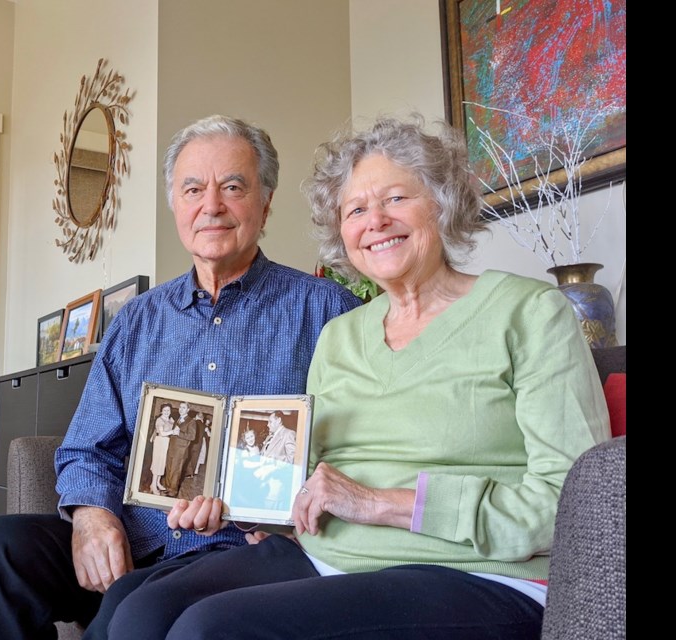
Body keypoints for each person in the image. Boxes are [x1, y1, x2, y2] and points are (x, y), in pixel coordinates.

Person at [92, 114, 612, 640]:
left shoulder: (529, 312)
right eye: (356, 209)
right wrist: (244, 508)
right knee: (141, 614)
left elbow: (575, 503)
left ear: (443, 202)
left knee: (211, 630)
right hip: (327, 557)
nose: (376, 221)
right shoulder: (340, 335)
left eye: (396, 199)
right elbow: (308, 484)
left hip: (474, 572)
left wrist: (378, 503)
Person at [0, 114, 360, 640]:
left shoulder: (326, 311)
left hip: (248, 551)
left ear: (265, 202)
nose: (212, 205)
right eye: (193, 189)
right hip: (136, 540)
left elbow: (360, 447)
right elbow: (86, 448)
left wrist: (288, 520)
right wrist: (93, 515)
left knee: (130, 605)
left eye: (233, 187)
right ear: (175, 205)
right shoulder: (137, 321)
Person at [162, 400, 198, 497]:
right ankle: (168, 487)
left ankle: (173, 491)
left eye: (183, 408)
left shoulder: (191, 421)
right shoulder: (177, 419)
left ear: (188, 409)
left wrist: (179, 433)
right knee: (169, 468)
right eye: (180, 407)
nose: (181, 409)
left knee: (175, 470)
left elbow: (192, 436)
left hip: (181, 451)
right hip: (172, 448)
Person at [148, 403, 174, 493]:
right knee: (157, 463)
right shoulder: (159, 420)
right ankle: (153, 485)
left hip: (166, 442)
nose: (167, 412)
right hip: (160, 441)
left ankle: (158, 483)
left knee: (162, 463)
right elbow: (162, 433)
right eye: (165, 410)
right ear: (161, 411)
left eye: (168, 410)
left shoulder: (170, 420)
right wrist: (173, 431)